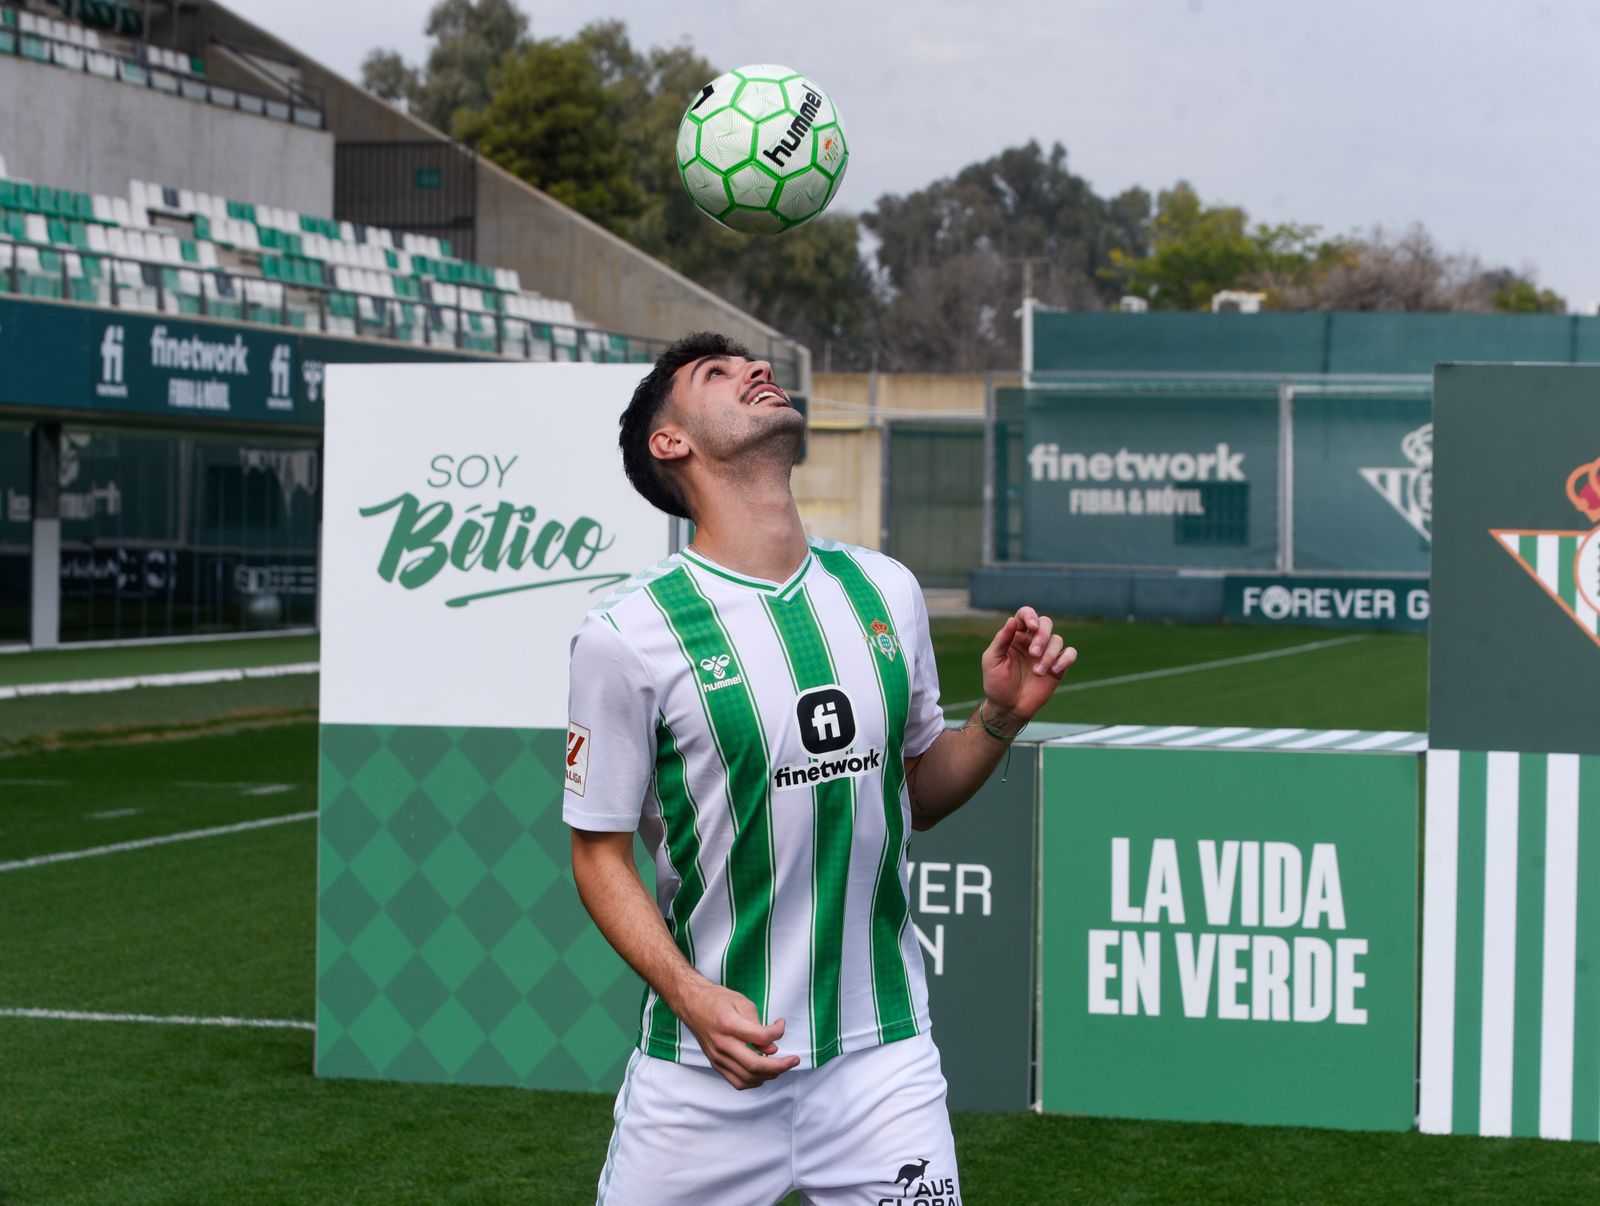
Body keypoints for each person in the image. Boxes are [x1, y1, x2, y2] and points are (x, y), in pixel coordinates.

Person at [563, 333, 1077, 1205]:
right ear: (670, 443)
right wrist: (689, 996)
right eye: (717, 375)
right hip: (703, 1078)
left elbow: (917, 793)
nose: (756, 372)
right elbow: (597, 855)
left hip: (882, 1062)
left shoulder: (885, 591)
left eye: (753, 364)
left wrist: (997, 717)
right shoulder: (625, 636)